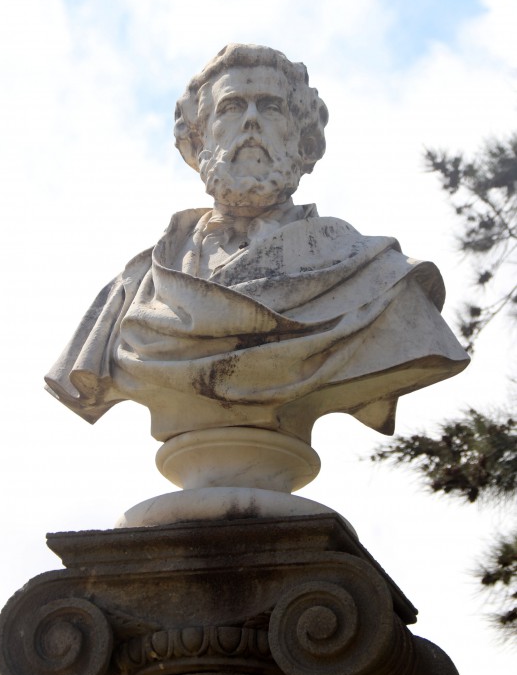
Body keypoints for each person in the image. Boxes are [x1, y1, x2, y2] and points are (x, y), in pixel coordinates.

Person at [45, 44, 468, 444]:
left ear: (302, 138)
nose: (251, 121)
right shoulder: (135, 289)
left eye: (270, 107)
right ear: (199, 138)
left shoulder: (376, 277)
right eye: (231, 107)